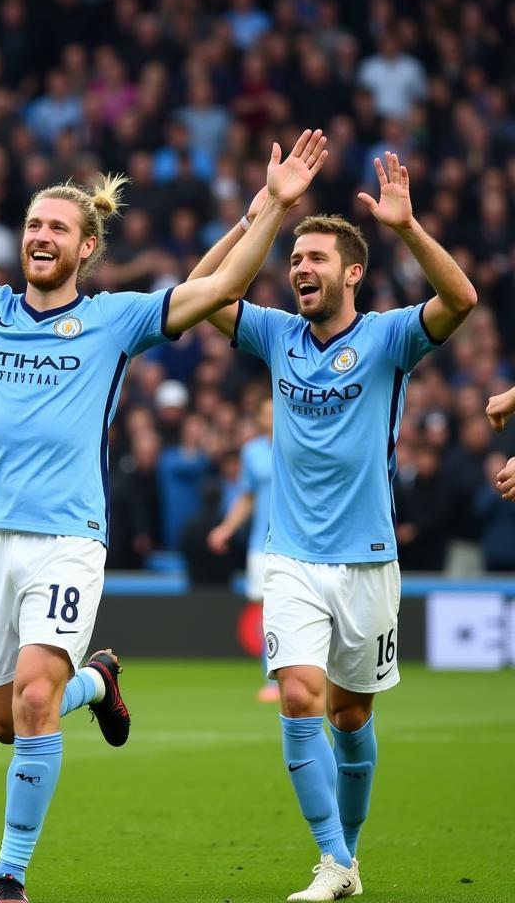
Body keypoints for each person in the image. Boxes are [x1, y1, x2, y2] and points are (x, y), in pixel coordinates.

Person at [0, 60, 327, 903]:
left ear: (86, 246)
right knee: (5, 722)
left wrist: (276, 208)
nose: (40, 237)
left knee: (34, 697)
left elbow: (219, 287)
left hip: (69, 538)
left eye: (57, 230)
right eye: (33, 224)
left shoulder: (114, 319)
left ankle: (9, 875)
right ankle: (99, 681)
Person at [195, 152, 476, 901]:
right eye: (294, 257)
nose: (299, 267)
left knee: (351, 720)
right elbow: (200, 292)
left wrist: (409, 227)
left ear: (352, 273)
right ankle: (331, 860)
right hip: (290, 554)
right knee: (298, 696)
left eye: (316, 256)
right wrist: (261, 216)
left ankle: (346, 859)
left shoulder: (389, 338)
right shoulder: (274, 335)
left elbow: (462, 298)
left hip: (368, 561)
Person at [207, 396, 279, 701]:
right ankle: (272, 679)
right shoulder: (252, 452)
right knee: (267, 613)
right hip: (261, 543)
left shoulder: (302, 445)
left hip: (300, 543)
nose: (269, 417)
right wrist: (226, 527)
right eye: (264, 412)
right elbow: (247, 496)